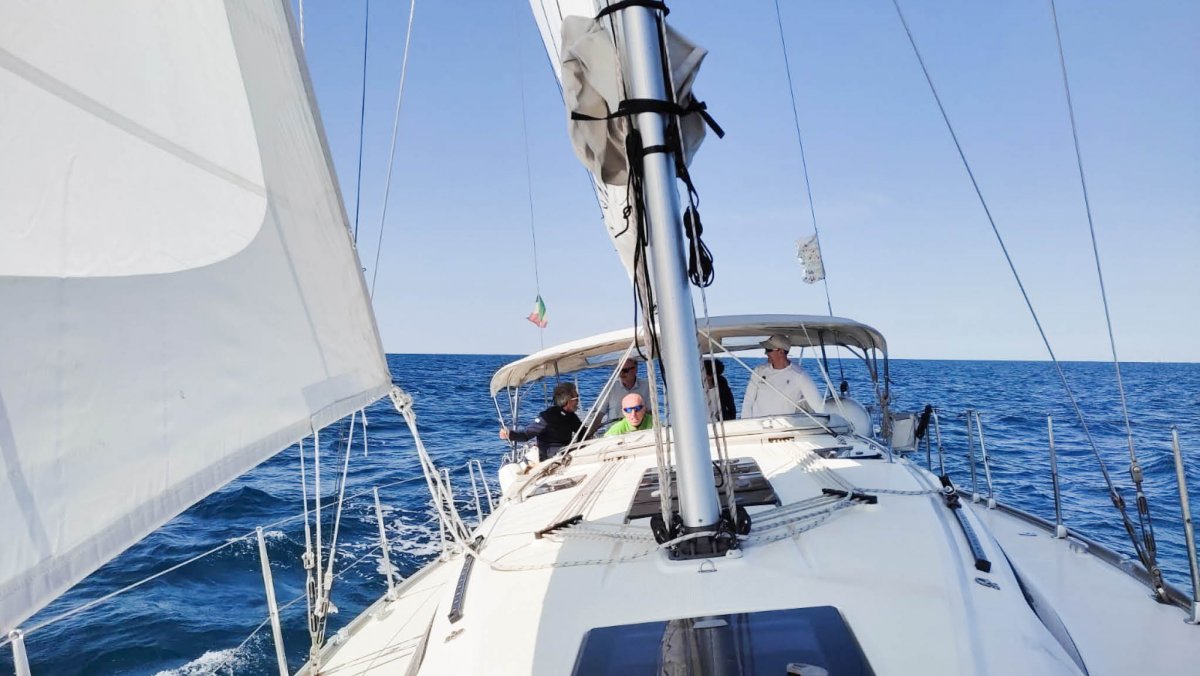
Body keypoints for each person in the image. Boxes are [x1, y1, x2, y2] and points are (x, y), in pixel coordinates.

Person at [741, 334, 823, 418]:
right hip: (758, 426)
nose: (765, 353)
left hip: (783, 428)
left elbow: (818, 406)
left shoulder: (799, 375)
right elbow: (748, 401)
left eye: (768, 350)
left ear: (781, 352)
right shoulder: (759, 371)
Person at [499, 382, 582, 461]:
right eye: (576, 398)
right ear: (567, 400)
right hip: (550, 460)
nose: (578, 401)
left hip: (567, 454)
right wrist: (510, 434)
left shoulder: (571, 416)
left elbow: (583, 431)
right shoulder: (548, 417)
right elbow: (526, 434)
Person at [605, 358, 652, 422]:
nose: (621, 374)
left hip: (640, 429)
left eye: (625, 370)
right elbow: (599, 413)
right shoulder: (610, 387)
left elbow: (651, 412)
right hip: (615, 430)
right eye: (619, 370)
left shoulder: (647, 386)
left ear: (635, 369)